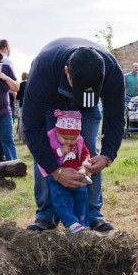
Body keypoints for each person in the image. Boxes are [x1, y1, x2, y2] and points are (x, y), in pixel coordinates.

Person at [23, 39, 125, 233]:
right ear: (67, 71)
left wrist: (108, 155)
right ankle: (46, 215)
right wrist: (56, 171)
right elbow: (32, 129)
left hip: (88, 109)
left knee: (90, 152)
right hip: (51, 102)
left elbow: (116, 118)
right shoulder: (44, 68)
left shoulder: (112, 72)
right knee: (48, 151)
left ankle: (93, 214)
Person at [40, 109, 92, 233]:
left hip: (77, 175)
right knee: (62, 200)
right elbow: (45, 156)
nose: (69, 142)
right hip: (57, 177)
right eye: (65, 138)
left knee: (82, 198)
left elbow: (85, 153)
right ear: (57, 132)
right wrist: (60, 151)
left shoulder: (78, 141)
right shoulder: (51, 139)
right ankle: (71, 223)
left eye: (73, 138)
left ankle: (83, 222)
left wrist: (85, 164)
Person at [16, 71, 28, 142]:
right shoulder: (29, 84)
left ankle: (22, 137)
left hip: (21, 105)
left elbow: (17, 97)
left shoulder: (19, 85)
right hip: (28, 105)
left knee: (21, 121)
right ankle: (27, 136)